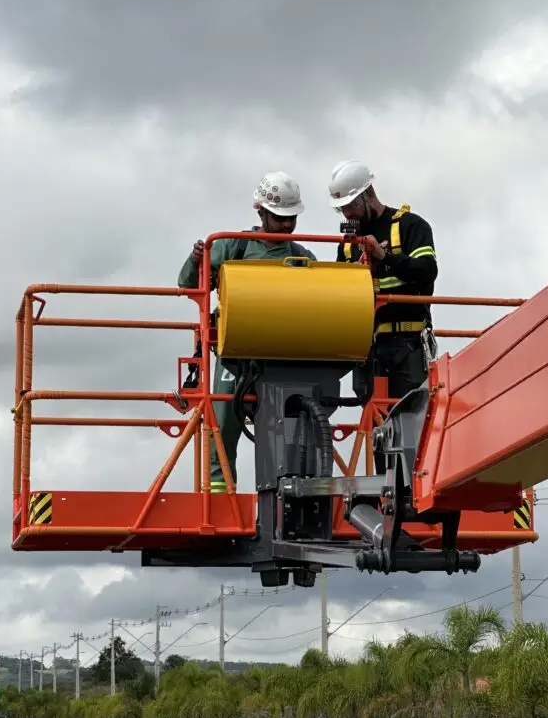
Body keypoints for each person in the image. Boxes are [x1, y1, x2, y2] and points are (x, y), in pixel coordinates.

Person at [178, 171, 316, 493]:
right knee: (223, 423)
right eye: (280, 218)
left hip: (282, 359)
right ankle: (219, 491)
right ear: (261, 212)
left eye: (291, 218)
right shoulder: (232, 246)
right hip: (235, 357)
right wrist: (195, 260)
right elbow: (188, 285)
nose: (286, 225)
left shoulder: (302, 257)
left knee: (290, 429)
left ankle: (288, 494)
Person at [328, 159, 438, 403]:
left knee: (410, 416)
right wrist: (352, 278)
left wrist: (385, 257)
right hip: (366, 349)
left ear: (368, 194)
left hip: (407, 344)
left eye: (350, 205)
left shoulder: (410, 226)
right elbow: (337, 297)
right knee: (376, 428)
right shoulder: (348, 246)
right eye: (341, 208)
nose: (347, 214)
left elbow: (427, 271)